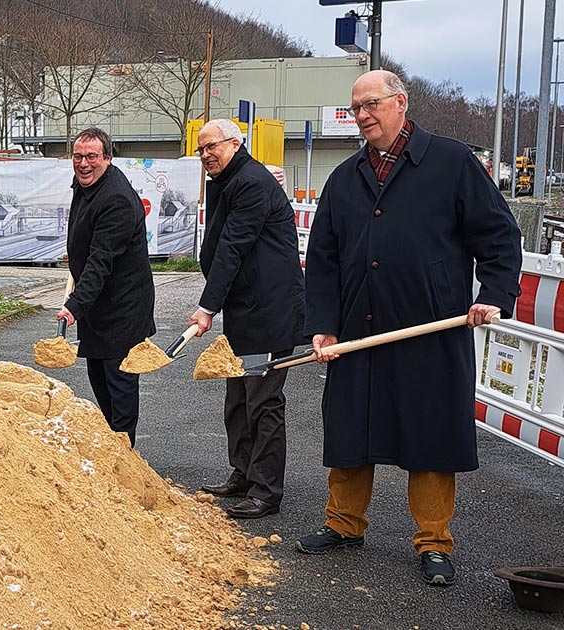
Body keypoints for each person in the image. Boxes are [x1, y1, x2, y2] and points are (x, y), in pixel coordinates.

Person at [299, 70, 522, 586]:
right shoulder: (345, 176)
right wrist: (325, 325)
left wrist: (492, 295)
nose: (362, 116)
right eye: (356, 108)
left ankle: (434, 542)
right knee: (351, 427)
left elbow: (498, 236)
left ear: (400, 102)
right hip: (359, 329)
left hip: (430, 329)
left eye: (371, 105)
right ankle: (343, 524)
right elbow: (324, 258)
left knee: (430, 437)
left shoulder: (450, 162)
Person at [189, 119, 305, 520]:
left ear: (236, 144)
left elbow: (232, 248)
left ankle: (266, 490)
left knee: (263, 401)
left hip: (268, 315)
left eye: (212, 147)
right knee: (237, 400)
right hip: (245, 311)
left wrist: (206, 308)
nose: (206, 155)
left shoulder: (252, 183)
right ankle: (243, 472)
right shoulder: (230, 180)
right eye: (201, 149)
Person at [56, 127, 156, 446]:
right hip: (98, 306)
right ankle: (114, 445)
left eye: (92, 157)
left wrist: (73, 306)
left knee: (120, 385)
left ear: (108, 159)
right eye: (78, 156)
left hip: (122, 308)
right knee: (99, 379)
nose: (84, 164)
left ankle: (125, 454)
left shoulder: (116, 200)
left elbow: (101, 262)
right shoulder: (85, 184)